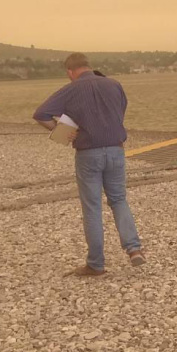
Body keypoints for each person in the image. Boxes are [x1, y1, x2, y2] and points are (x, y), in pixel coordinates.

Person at [33, 53, 144, 276]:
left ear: (70, 72)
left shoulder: (71, 89)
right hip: (116, 149)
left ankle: (96, 263)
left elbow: (40, 114)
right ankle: (134, 249)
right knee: (119, 199)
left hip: (88, 153)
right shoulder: (114, 85)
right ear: (89, 67)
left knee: (92, 206)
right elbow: (120, 111)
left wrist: (59, 131)